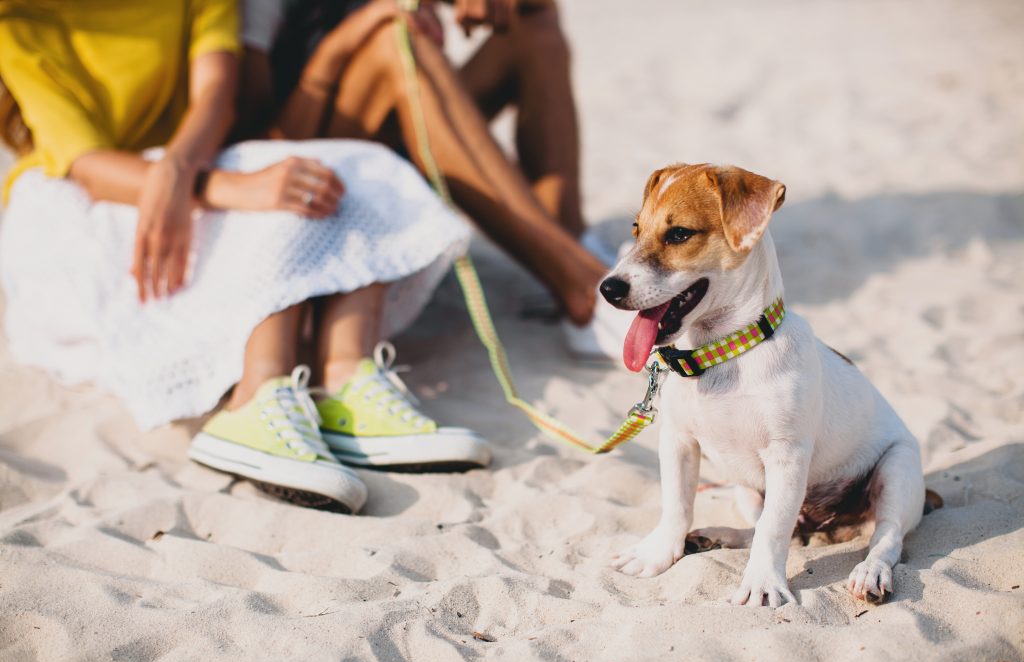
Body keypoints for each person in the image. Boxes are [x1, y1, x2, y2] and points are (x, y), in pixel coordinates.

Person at [0, 0, 491, 515]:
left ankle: (346, 380)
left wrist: (182, 169)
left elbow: (216, 93)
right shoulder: (19, 17)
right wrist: (220, 185)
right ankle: (254, 400)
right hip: (83, 200)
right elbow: (88, 165)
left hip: (187, 163)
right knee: (269, 198)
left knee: (345, 169)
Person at [236, 0, 629, 357]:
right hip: (309, 162)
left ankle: (566, 251)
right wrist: (345, 40)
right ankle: (582, 290)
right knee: (394, 37)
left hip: (404, 124)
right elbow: (264, 146)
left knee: (533, 23)